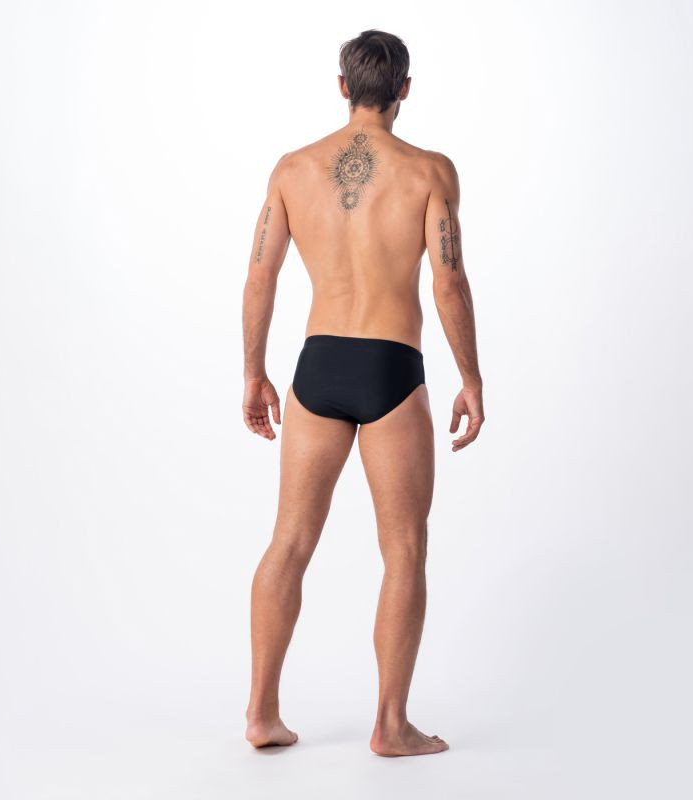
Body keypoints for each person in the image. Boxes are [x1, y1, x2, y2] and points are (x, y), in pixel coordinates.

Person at [241, 29, 484, 757]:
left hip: (317, 366)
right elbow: (448, 282)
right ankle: (391, 724)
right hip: (390, 367)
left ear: (343, 87)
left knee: (289, 541)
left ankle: (261, 714)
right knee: (404, 548)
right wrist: (471, 377)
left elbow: (260, 277)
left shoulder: (293, 169)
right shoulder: (429, 172)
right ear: (403, 89)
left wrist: (253, 371)